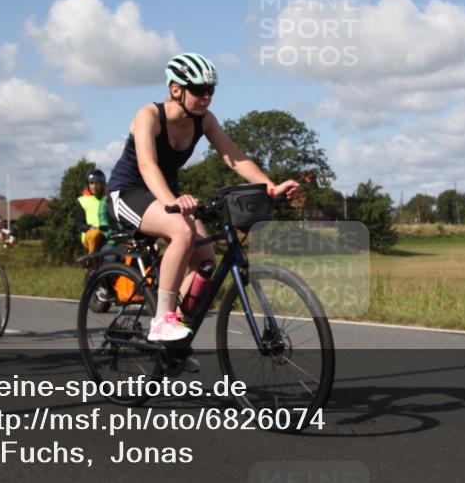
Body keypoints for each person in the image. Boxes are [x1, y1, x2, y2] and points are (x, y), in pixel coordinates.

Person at [107, 53, 298, 342]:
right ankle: (162, 320)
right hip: (129, 193)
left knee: (206, 261)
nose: (207, 97)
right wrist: (172, 201)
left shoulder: (204, 120)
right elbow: (148, 165)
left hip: (165, 196)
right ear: (176, 89)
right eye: (198, 90)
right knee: (182, 231)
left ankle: (176, 336)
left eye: (211, 90)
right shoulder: (148, 115)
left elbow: (234, 157)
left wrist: (270, 187)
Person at [74, 168, 115, 260]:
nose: (94, 186)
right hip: (92, 238)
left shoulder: (108, 199)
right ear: (88, 185)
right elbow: (79, 224)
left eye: (98, 183)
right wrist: (90, 228)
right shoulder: (82, 201)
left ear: (103, 184)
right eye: (91, 183)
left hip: (108, 235)